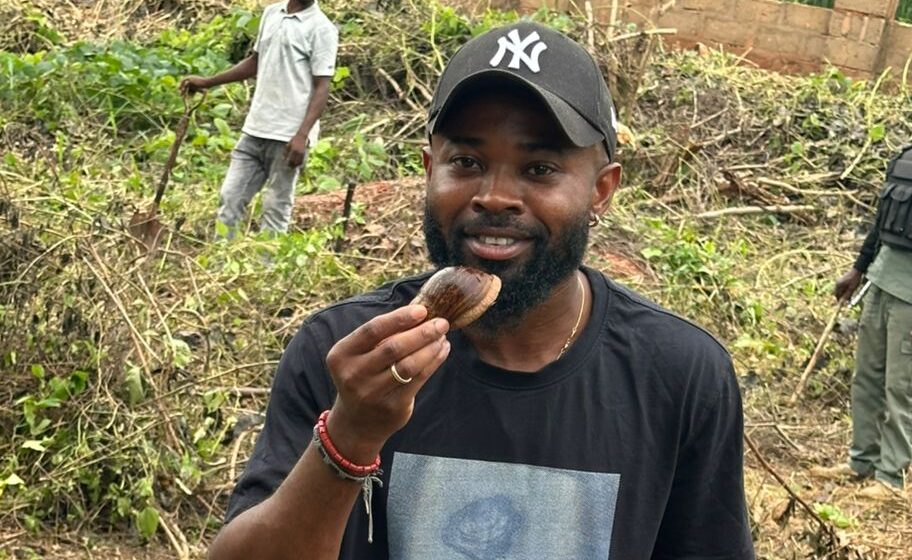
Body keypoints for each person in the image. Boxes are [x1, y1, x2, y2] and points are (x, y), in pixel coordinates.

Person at [209, 22, 754, 559]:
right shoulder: (345, 354)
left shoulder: (679, 375)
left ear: (601, 190)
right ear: (430, 170)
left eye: (539, 168)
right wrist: (349, 436)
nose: (495, 196)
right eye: (466, 162)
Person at [180, 0, 338, 236]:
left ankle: (269, 258)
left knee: (275, 207)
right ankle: (222, 255)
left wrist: (302, 135)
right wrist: (208, 82)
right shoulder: (271, 13)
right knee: (230, 198)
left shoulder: (322, 29)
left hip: (288, 136)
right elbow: (255, 62)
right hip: (256, 128)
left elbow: (322, 86)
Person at [815, 146, 912, 499]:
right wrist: (858, 270)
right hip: (881, 279)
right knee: (867, 377)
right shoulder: (904, 159)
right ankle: (862, 461)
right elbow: (881, 223)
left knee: (901, 386)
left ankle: (891, 478)